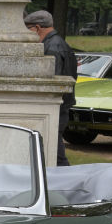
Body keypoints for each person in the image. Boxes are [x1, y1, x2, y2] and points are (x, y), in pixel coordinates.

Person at [24, 9, 76, 167]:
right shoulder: (59, 43)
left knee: (54, 154)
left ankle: (66, 179)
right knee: (52, 151)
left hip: (55, 109)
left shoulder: (52, 47)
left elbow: (51, 83)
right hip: (61, 107)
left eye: (28, 29)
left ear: (37, 28)